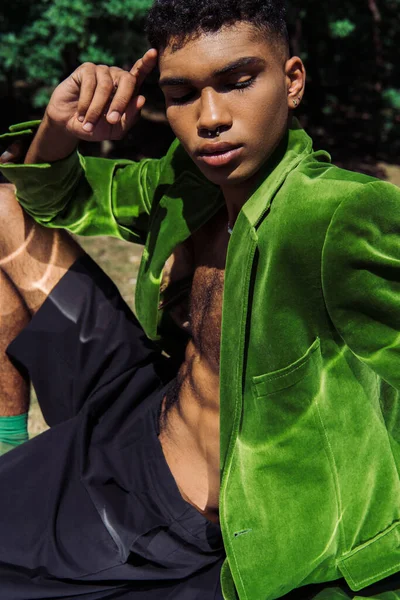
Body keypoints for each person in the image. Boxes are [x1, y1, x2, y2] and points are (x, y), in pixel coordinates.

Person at [0, 0, 400, 598]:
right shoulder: (189, 183)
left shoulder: (336, 216)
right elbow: (52, 198)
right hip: (138, 410)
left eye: (238, 82)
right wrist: (64, 129)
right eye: (183, 93)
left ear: (291, 82)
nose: (209, 118)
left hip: (176, 524)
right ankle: (11, 442)